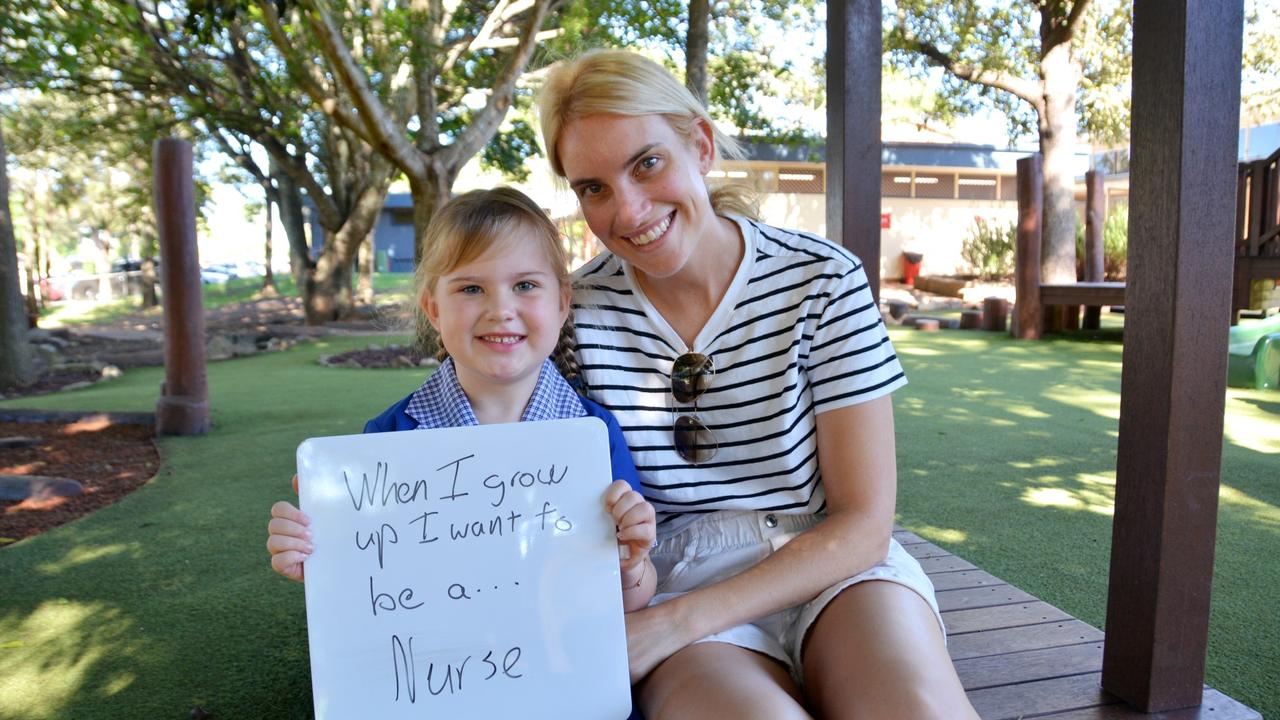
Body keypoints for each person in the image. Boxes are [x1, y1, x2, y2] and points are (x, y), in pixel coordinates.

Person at [538, 49, 979, 719]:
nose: (627, 211)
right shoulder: (576, 311)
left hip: (832, 565)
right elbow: (499, 437)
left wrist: (678, 623)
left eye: (646, 163)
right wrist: (353, 515)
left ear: (701, 146)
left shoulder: (821, 281)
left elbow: (864, 524)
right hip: (672, 573)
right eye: (592, 187)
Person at [266, 187, 658, 614]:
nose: (500, 309)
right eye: (471, 288)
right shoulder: (386, 441)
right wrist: (323, 561)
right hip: (433, 670)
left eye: (525, 285)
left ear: (562, 302)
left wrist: (630, 563)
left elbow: (632, 603)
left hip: (562, 667)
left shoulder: (594, 437)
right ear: (433, 309)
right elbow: (369, 596)